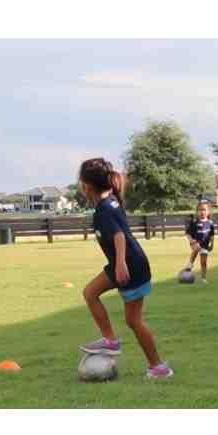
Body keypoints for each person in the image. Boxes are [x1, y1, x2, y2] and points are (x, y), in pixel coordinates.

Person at [77, 158, 173, 379]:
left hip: (130, 265)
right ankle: (112, 342)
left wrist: (120, 264)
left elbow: (119, 236)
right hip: (126, 262)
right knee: (91, 293)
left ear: (87, 185)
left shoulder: (104, 209)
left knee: (133, 320)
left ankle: (158, 367)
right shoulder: (108, 202)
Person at [182, 200, 215, 283]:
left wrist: (212, 244)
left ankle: (203, 278)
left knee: (203, 262)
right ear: (197, 211)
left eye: (204, 210)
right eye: (200, 210)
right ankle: (190, 264)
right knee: (196, 248)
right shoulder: (194, 222)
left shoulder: (210, 223)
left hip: (205, 245)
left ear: (208, 212)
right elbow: (188, 233)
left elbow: (212, 235)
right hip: (195, 243)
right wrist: (191, 241)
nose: (202, 212)